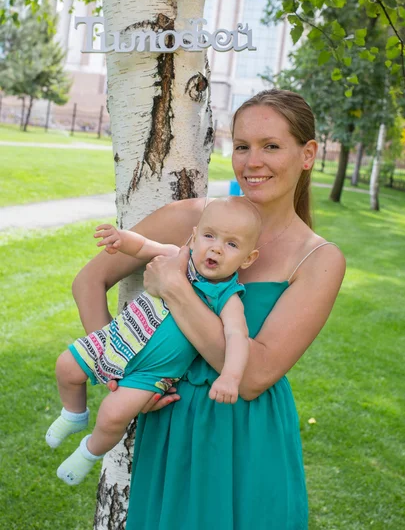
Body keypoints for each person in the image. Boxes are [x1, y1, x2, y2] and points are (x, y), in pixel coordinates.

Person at [72, 89, 346, 529]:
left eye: (271, 146)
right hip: (171, 427)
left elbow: (253, 377)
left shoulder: (318, 259)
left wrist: (176, 289)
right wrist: (119, 377)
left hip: (247, 436)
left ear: (308, 153)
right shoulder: (192, 220)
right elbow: (89, 280)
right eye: (242, 146)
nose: (252, 161)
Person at [46, 197, 261, 485]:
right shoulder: (177, 258)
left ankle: (88, 452)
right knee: (66, 366)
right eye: (209, 236)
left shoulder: (228, 298)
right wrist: (121, 238)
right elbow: (144, 246)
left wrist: (231, 377)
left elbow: (237, 337)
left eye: (232, 244)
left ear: (248, 258)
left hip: (151, 375)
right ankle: (74, 412)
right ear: (194, 236)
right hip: (117, 337)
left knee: (112, 416)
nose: (216, 248)